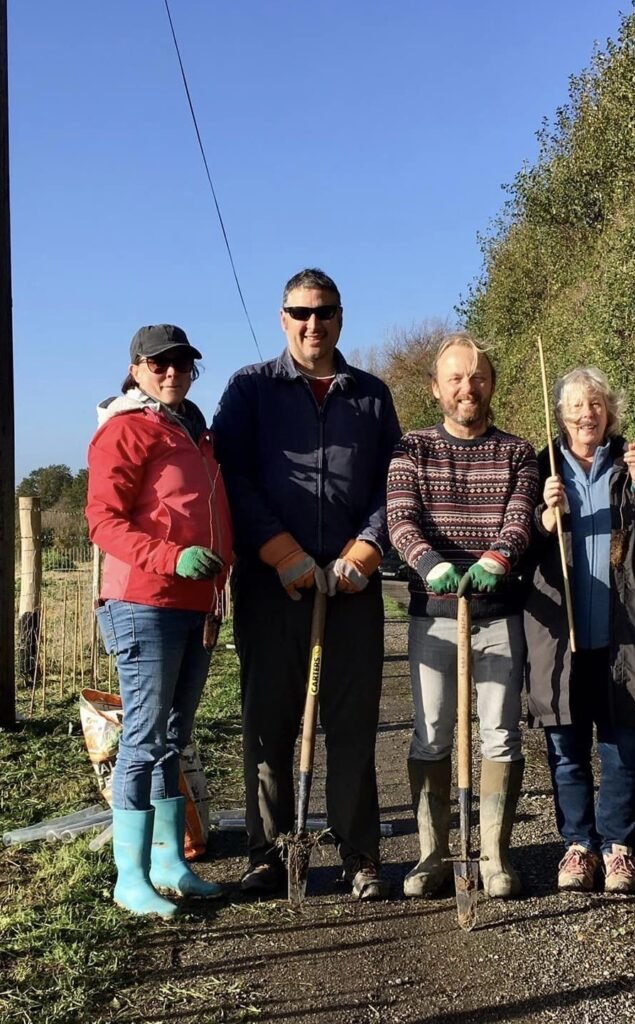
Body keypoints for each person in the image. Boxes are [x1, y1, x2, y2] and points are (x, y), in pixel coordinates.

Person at [213, 268, 401, 899]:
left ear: (341, 319)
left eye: (324, 313)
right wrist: (279, 549)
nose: (312, 324)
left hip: (351, 587)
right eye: (300, 313)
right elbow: (231, 478)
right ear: (283, 318)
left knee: (351, 722)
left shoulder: (371, 396)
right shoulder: (250, 390)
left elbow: (392, 486)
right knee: (269, 720)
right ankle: (269, 852)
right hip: (274, 587)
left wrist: (367, 547)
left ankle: (359, 853)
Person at [87, 324, 232, 917]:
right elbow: (103, 520)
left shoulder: (194, 431)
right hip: (142, 602)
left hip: (195, 605)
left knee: (173, 738)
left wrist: (217, 584)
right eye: (159, 364)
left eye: (182, 364)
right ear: (136, 370)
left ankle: (171, 862)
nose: (172, 373)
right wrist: (172, 556)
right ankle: (130, 876)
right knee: (143, 742)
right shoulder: (126, 429)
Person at [386, 332, 538, 899]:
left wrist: (497, 558)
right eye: (455, 378)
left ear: (491, 385)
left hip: (498, 613)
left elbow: (520, 519)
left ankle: (494, 856)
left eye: (476, 377)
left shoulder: (517, 452)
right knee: (430, 734)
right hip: (435, 613)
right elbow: (401, 520)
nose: (467, 387)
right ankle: (432, 853)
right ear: (436, 388)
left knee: (499, 734)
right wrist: (429, 565)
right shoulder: (412, 449)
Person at [524, 367, 635, 894]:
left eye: (595, 405)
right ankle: (577, 844)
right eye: (575, 406)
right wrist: (545, 520)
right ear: (562, 415)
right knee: (566, 746)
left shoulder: (630, 465)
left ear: (609, 413)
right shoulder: (539, 470)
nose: (585, 414)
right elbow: (515, 544)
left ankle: (618, 847)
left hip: (624, 634)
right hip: (559, 637)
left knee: (623, 748)